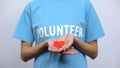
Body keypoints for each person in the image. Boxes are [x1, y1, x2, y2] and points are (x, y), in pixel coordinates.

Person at [14, 0, 105, 68]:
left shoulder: (85, 5)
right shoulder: (32, 8)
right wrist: (45, 44)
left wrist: (74, 39)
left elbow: (94, 52)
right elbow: (24, 55)